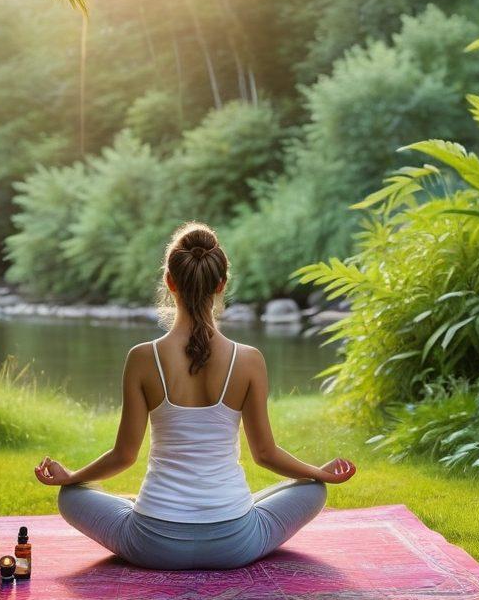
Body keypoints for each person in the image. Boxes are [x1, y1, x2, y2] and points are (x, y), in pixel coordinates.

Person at [34, 221, 356, 570]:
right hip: (235, 543)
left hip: (153, 544)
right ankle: (239, 507)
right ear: (221, 285)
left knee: (71, 497)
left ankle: (137, 505)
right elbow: (265, 454)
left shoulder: (142, 358)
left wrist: (71, 477)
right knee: (312, 490)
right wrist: (317, 473)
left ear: (169, 282)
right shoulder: (249, 360)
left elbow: (123, 456)